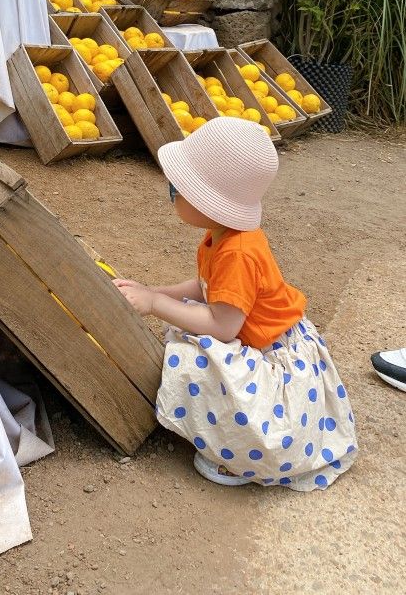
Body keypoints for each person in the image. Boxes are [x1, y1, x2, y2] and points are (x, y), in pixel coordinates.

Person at [114, 117, 357, 491]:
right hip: (254, 334)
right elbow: (206, 286)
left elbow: (223, 326)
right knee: (183, 319)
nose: (172, 192)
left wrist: (154, 304)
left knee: (191, 359)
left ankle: (242, 457)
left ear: (209, 201)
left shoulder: (238, 252)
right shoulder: (221, 237)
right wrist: (155, 292)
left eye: (177, 188)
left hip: (273, 354)